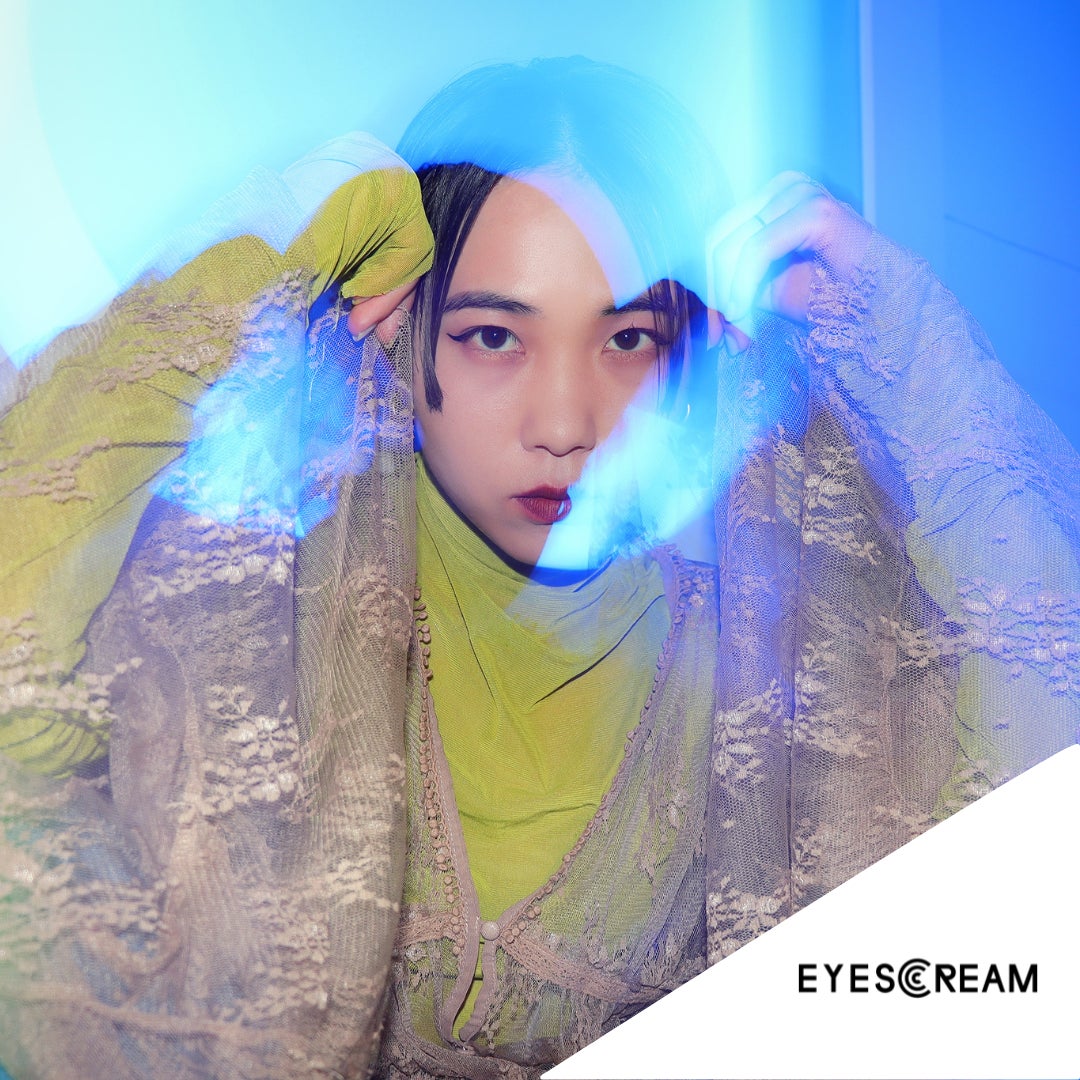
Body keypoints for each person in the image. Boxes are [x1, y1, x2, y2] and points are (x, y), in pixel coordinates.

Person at [0, 57, 1076, 1079]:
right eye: (493, 337)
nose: (565, 425)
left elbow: (1029, 861)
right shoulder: (254, 583)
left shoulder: (785, 638)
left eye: (628, 340)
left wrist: (920, 361)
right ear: (401, 332)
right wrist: (271, 242)